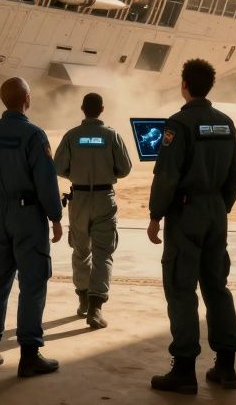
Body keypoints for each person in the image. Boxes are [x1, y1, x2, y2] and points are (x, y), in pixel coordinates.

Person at [148, 58, 236, 394]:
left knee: (181, 288)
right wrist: (220, 206)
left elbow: (167, 175)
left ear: (184, 85)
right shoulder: (226, 123)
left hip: (187, 212)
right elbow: (235, 174)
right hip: (216, 210)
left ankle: (184, 370)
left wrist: (156, 215)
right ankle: (226, 367)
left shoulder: (179, 124)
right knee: (217, 286)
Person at [0, 77, 62, 378]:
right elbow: (46, 181)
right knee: (33, 284)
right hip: (27, 216)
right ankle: (29, 356)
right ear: (27, 99)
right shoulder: (34, 135)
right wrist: (55, 217)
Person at [54, 92, 132, 329]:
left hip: (78, 199)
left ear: (82, 108)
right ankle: (96, 309)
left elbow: (59, 167)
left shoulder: (71, 136)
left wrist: (77, 174)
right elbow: (125, 168)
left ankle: (83, 300)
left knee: (80, 251)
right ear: (102, 109)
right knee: (103, 253)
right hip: (103, 198)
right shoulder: (111, 135)